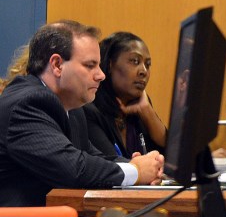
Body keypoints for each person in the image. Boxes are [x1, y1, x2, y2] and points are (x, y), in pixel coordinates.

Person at [0, 20, 164, 206]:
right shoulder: (27, 104)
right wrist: (136, 171)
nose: (101, 75)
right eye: (90, 65)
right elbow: (73, 169)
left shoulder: (72, 109)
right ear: (57, 65)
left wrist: (143, 165)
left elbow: (96, 158)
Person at [84, 32, 167, 158]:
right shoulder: (89, 108)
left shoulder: (141, 107)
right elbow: (111, 163)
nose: (144, 71)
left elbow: (171, 156)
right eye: (135, 61)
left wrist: (147, 111)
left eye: (148, 64)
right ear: (110, 65)